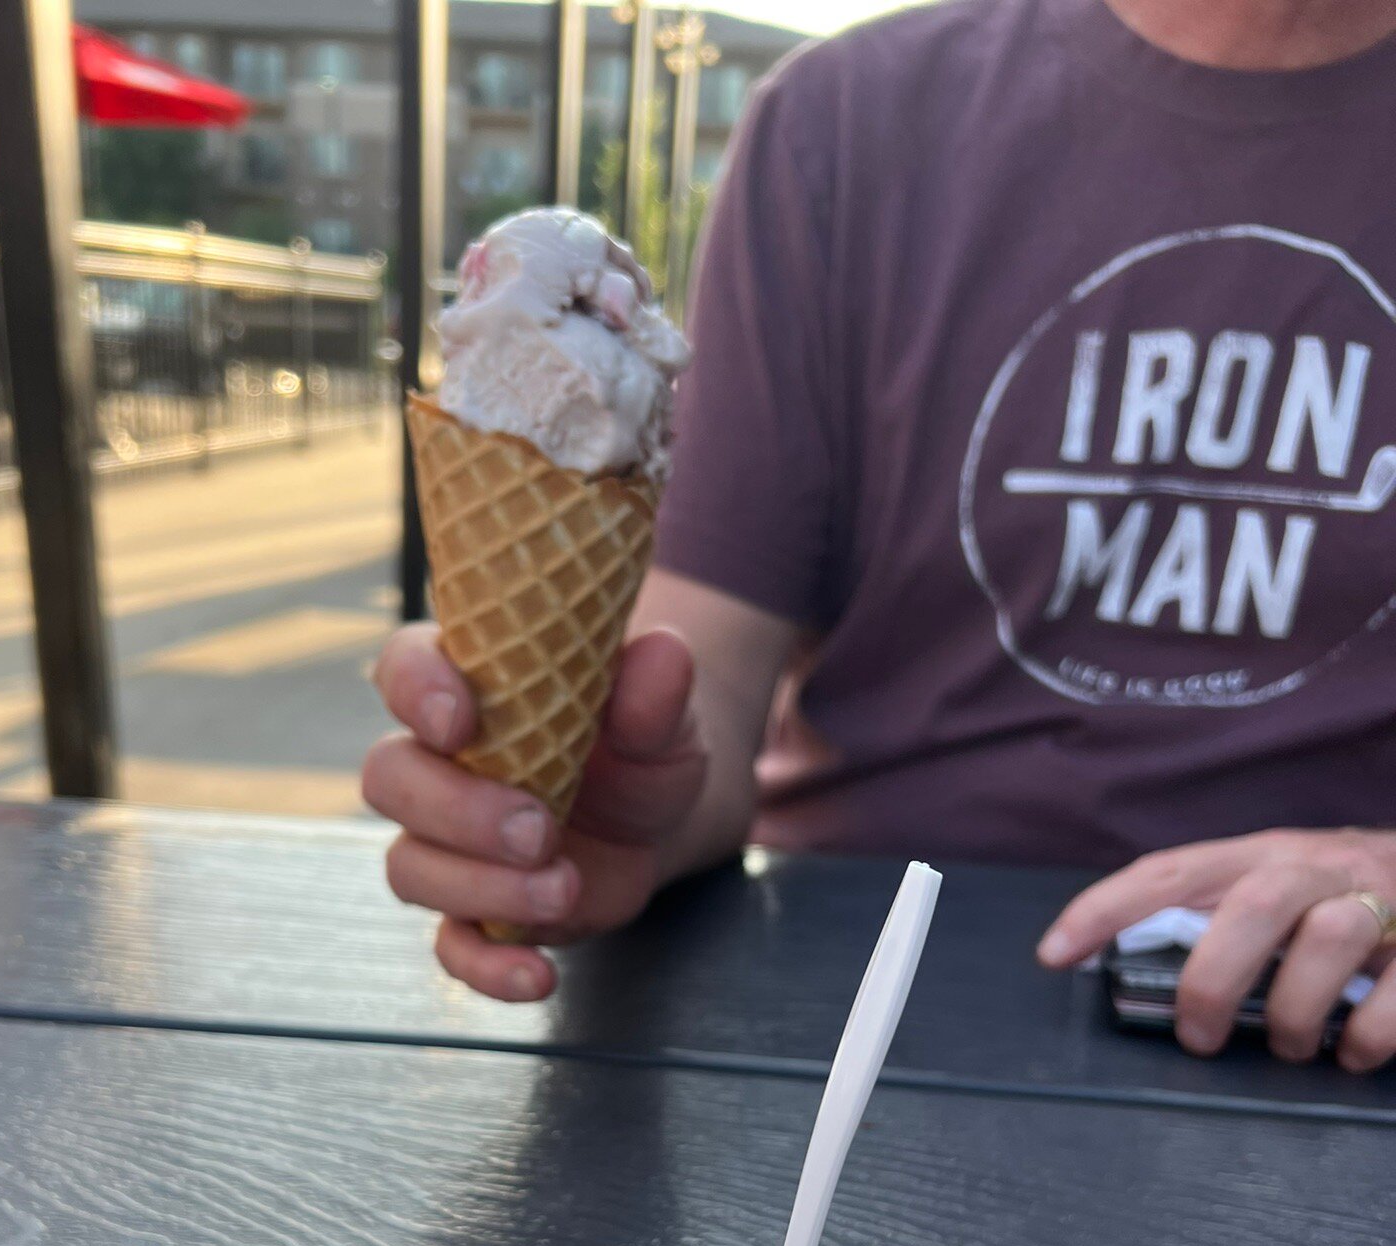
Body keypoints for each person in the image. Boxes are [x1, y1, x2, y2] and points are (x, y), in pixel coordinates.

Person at [364, 0, 1396, 1073]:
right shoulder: (851, 121)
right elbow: (708, 680)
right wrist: (606, 810)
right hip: (844, 988)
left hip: (1339, 1025)